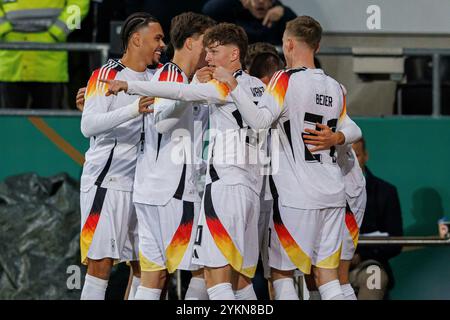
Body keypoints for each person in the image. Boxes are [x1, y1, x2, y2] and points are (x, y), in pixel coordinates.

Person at [103, 22, 268, 300]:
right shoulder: (262, 89)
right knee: (238, 279)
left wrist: (128, 85)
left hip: (221, 188)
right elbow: (264, 124)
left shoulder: (219, 86)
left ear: (234, 54)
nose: (208, 58)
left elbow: (180, 93)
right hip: (253, 190)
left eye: (214, 51)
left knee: (214, 279)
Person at [212, 16, 362, 300]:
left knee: (282, 275)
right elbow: (353, 129)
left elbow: (258, 122)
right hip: (332, 192)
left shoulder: (284, 79)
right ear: (316, 45)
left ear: (289, 43)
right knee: (328, 278)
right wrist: (336, 138)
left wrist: (232, 85)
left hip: (296, 197)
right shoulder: (333, 86)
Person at [79, 12, 165, 300]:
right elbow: (88, 125)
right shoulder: (106, 75)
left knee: (147, 268)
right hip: (109, 181)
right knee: (100, 266)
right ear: (136, 40)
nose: (162, 44)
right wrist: (133, 108)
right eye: (157, 38)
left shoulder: (159, 77)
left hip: (145, 187)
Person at [130, 12, 216, 301]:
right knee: (207, 270)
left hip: (151, 189)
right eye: (208, 42)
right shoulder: (171, 77)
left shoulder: (177, 78)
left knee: (153, 278)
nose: (212, 49)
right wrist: (192, 90)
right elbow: (163, 123)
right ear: (191, 43)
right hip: (173, 193)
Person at [0, 0, 89, 109]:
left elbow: (80, 5)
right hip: (14, 58)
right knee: (10, 122)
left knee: (48, 122)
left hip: (46, 59)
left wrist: (58, 32)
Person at [349, 137, 403, 300]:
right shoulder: (325, 190)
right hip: (329, 266)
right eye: (346, 156)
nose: (351, 162)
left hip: (366, 264)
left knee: (375, 277)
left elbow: (395, 241)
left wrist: (360, 256)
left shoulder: (386, 192)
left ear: (365, 156)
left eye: (356, 155)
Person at [202, 0, 297, 45]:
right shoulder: (234, 10)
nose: (260, 1)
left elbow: (300, 32)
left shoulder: (280, 13)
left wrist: (284, 12)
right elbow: (208, 10)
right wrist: (237, 2)